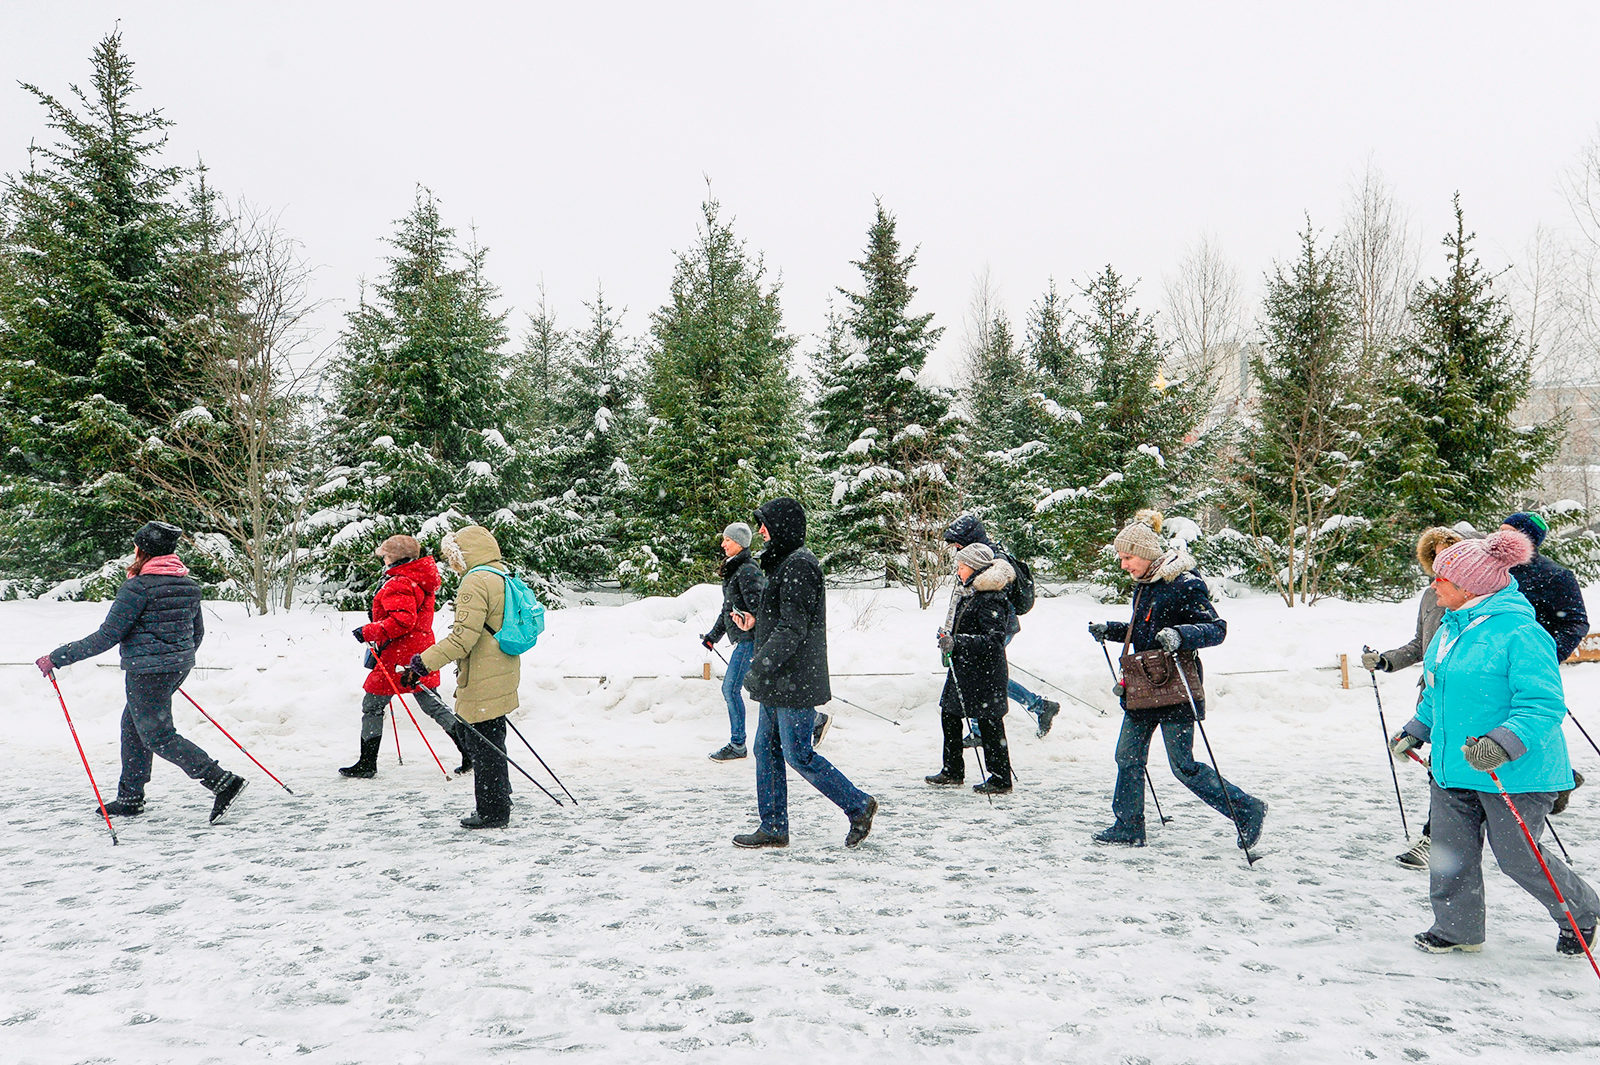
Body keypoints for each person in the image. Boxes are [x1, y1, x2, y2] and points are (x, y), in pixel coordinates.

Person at [1389, 528, 1598, 957]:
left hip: (1515, 770)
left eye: (1441, 578)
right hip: (1453, 764)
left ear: (1470, 586)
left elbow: (1542, 705)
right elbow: (1438, 691)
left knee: (1519, 857)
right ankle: (1456, 928)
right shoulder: (1450, 628)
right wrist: (1417, 728)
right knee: (1451, 854)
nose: (1433, 585)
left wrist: (1502, 743)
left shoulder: (1520, 633)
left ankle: (1582, 913)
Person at [35, 521, 247, 825]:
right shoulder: (188, 586)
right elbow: (196, 634)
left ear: (143, 550)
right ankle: (130, 797)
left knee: (158, 735)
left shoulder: (138, 588)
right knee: (133, 726)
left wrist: (57, 657)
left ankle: (221, 781)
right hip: (175, 667)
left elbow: (108, 635)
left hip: (149, 671)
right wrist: (175, 660)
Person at [1087, 511, 1267, 849]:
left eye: (1128, 557)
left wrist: (1181, 634)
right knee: (1127, 756)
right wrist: (1110, 630)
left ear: (1146, 553)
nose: (1124, 564)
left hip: (1177, 689)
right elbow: (1144, 633)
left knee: (1183, 767)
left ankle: (1247, 809)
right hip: (1143, 688)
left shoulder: (1184, 583)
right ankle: (1128, 825)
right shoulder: (1144, 587)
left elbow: (1217, 629)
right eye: (1122, 558)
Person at [729, 497, 877, 849]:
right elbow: (783, 620)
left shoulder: (800, 566)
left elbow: (793, 629)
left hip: (794, 678)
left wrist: (760, 665)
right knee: (765, 749)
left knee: (798, 753)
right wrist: (754, 623)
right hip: (778, 678)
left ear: (782, 526)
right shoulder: (786, 563)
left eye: (765, 524)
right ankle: (774, 827)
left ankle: (858, 805)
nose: (761, 531)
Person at [1362, 526, 1469, 869]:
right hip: (1433, 695)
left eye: (1449, 552)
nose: (1441, 560)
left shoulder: (1477, 593)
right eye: (1435, 554)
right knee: (1441, 769)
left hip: (1469, 695)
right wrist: (1386, 660)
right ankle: (1437, 838)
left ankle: (1441, 839)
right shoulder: (1430, 595)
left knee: (1459, 770)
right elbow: (1420, 645)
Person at [400, 526, 520, 830]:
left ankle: (492, 811)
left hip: (483, 672)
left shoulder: (475, 581)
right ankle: (501, 797)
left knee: (482, 742)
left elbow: (461, 640)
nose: (452, 563)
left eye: (453, 556)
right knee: (491, 736)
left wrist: (421, 664)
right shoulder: (501, 575)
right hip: (503, 665)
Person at [341, 534, 472, 778]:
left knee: (372, 706)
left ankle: (367, 763)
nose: (384, 559)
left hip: (398, 656)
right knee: (432, 704)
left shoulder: (399, 582)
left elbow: (402, 621)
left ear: (394, 558)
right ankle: (470, 752)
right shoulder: (417, 578)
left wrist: (367, 631)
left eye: (386, 555)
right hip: (418, 652)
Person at [944, 515, 1060, 737]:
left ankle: (984, 729)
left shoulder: (993, 561)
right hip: (982, 627)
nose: (956, 547)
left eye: (958, 542)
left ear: (970, 539)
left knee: (984, 674)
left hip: (996, 628)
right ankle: (1040, 706)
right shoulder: (975, 557)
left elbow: (993, 601)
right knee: (985, 674)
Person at [927, 543, 1016, 794]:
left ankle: (1000, 778)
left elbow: (995, 640)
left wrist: (959, 641)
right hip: (965, 669)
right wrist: (950, 636)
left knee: (990, 723)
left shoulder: (990, 598)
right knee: (950, 715)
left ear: (976, 569)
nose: (958, 571)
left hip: (985, 672)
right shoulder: (972, 592)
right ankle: (952, 770)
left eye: (962, 567)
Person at [701, 522, 767, 761]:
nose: (723, 544)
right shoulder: (736, 569)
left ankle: (738, 744)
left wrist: (752, 623)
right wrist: (713, 636)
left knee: (730, 688)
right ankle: (812, 720)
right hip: (744, 638)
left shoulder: (747, 570)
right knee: (763, 688)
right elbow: (728, 609)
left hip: (750, 640)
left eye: (727, 540)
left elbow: (759, 608)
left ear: (739, 543)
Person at [1500, 511, 1589, 662]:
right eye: (1500, 531)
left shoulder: (1555, 575)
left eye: (1509, 533)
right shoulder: (1491, 569)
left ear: (1528, 539)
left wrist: (1546, 657)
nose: (1500, 537)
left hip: (1527, 662)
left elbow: (1575, 622)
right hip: (1488, 664)